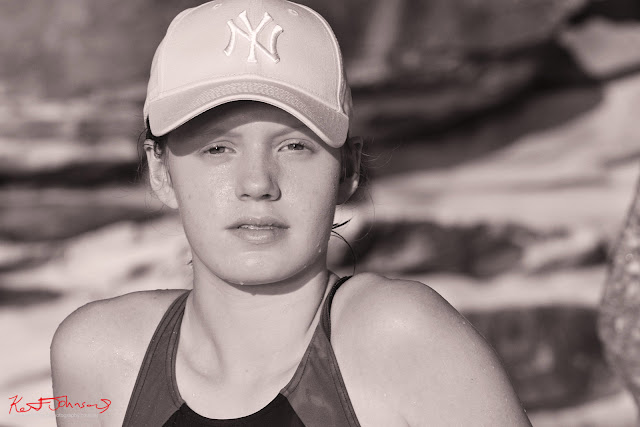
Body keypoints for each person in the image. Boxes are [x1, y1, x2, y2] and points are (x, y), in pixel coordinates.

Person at [50, 0, 532, 425]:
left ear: (347, 170)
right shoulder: (101, 358)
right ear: (161, 171)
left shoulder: (399, 337)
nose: (258, 183)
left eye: (295, 145)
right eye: (218, 149)